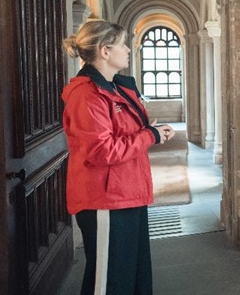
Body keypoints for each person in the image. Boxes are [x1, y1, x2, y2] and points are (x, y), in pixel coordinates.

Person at [61, 19, 175, 295]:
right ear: (104, 51)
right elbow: (101, 150)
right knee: (109, 281)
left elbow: (120, 133)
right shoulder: (87, 95)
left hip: (127, 192)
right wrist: (151, 136)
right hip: (104, 199)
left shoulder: (115, 87)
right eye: (122, 44)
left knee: (131, 274)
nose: (127, 49)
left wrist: (149, 130)